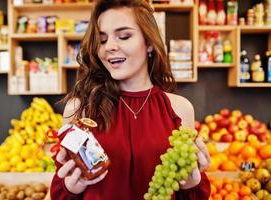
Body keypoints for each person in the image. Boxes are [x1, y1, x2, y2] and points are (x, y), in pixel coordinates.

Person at [50, 0, 211, 199]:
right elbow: (59, 189)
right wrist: (71, 187)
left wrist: (193, 184)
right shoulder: (80, 109)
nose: (109, 47)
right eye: (101, 40)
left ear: (150, 43)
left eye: (124, 36)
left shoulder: (180, 109)